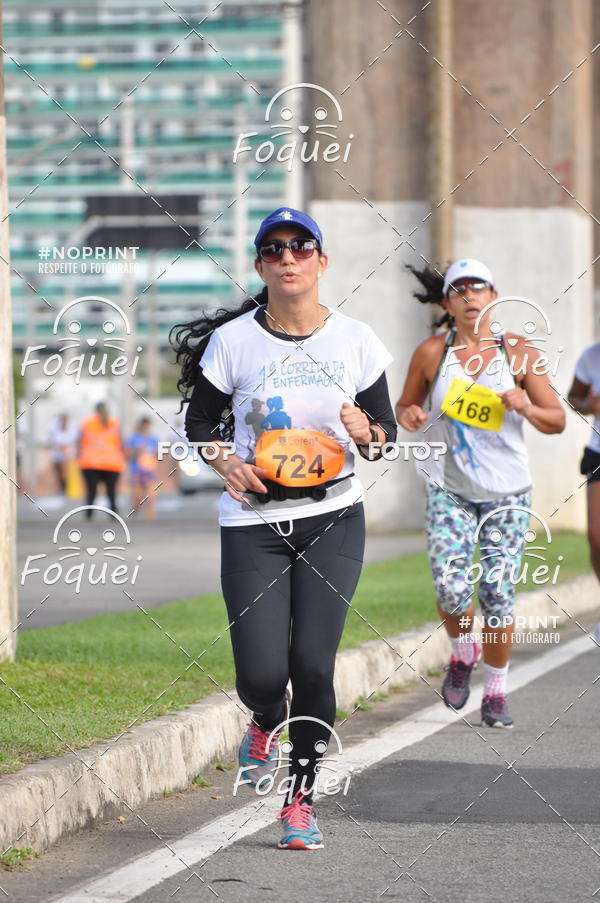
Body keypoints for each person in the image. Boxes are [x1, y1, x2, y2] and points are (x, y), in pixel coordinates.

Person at [171, 207, 396, 850]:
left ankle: (299, 800)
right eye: (274, 249)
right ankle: (265, 719)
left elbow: (386, 438)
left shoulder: (356, 340)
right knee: (263, 676)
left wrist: (369, 434)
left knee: (314, 665)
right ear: (260, 264)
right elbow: (199, 427)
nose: (288, 257)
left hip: (332, 517)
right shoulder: (234, 342)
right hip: (253, 525)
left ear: (322, 261)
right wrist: (226, 462)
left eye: (301, 247)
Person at [395, 259, 565, 728]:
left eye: (479, 287)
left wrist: (527, 404)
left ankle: (495, 691)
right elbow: (406, 402)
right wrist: (409, 412)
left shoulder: (519, 354)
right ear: (447, 302)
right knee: (451, 587)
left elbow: (558, 421)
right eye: (459, 289)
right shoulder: (433, 352)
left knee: (496, 593)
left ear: (494, 296)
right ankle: (463, 650)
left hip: (507, 493)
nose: (469, 296)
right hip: (449, 489)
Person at [567, 346, 600, 644]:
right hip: (598, 452)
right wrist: (589, 405)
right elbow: (573, 397)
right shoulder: (591, 357)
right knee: (596, 536)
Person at [77, 402, 125, 519]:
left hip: (92, 463)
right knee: (110, 492)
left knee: (92, 491)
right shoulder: (113, 422)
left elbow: (79, 441)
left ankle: (89, 515)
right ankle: (113, 515)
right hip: (110, 463)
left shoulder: (88, 423)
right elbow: (120, 442)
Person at [126, 417, 159, 520]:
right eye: (143, 424)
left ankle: (150, 520)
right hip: (137, 471)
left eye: (147, 425)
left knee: (151, 497)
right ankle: (134, 513)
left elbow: (161, 454)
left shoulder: (154, 439)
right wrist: (136, 450)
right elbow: (127, 454)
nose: (145, 427)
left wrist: (157, 453)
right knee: (138, 499)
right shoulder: (133, 438)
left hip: (149, 471)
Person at [48, 413, 78, 495]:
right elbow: (53, 440)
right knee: (59, 472)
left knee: (66, 471)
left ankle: (66, 487)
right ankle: (61, 487)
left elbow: (72, 441)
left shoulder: (72, 429)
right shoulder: (55, 428)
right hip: (58, 454)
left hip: (68, 455)